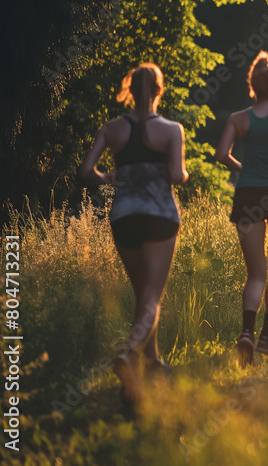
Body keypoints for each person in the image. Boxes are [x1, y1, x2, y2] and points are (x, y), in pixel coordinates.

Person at [80, 63, 187, 407]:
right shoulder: (171, 130)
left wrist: (110, 178)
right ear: (159, 90)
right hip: (160, 216)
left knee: (143, 294)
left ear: (131, 88)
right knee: (152, 297)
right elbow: (176, 174)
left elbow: (85, 171)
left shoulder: (112, 129)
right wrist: (181, 173)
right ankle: (129, 356)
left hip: (124, 217)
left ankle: (154, 363)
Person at [216, 52, 268, 367]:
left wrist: (244, 167)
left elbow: (221, 153)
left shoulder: (238, 118)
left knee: (256, 272)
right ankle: (267, 337)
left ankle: (246, 333)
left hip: (248, 193)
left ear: (251, 85)